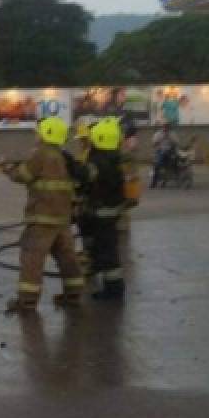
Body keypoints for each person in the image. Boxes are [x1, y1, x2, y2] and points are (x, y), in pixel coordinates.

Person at [1, 117, 85, 312]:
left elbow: (22, 176)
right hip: (62, 219)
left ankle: (27, 301)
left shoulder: (41, 154)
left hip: (42, 219)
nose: (36, 135)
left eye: (39, 132)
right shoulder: (63, 156)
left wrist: (6, 167)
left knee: (32, 258)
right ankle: (73, 294)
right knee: (67, 257)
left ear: (47, 134)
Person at [82, 118, 126, 300]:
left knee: (107, 252)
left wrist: (73, 167)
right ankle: (113, 288)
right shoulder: (115, 157)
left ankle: (113, 291)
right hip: (112, 211)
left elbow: (86, 180)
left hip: (101, 214)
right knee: (109, 250)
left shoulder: (98, 161)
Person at [150, 122, 179, 187]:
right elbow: (153, 143)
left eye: (167, 127)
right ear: (162, 127)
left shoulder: (172, 133)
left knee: (175, 160)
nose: (166, 128)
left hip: (170, 151)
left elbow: (177, 142)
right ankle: (154, 182)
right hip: (161, 150)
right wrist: (160, 139)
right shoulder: (158, 133)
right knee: (157, 164)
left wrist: (170, 138)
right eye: (164, 127)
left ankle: (177, 178)